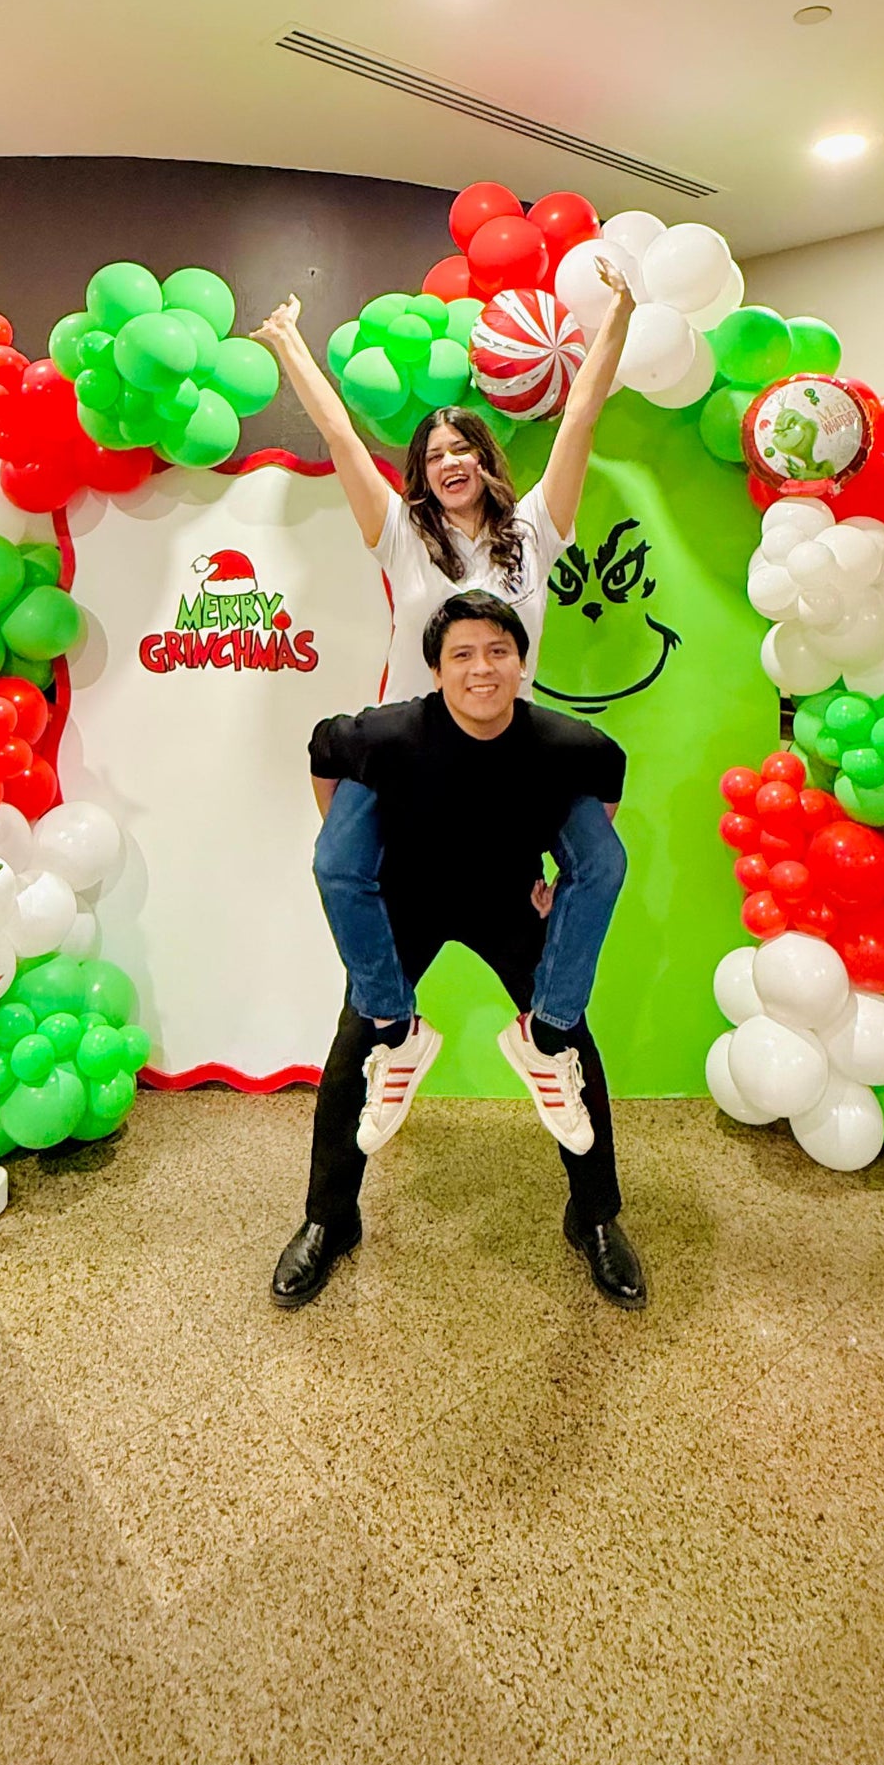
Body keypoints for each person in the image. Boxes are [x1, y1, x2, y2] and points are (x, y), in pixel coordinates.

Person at [253, 259, 635, 1128]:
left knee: (601, 864)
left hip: (515, 759)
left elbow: (581, 411)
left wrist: (621, 311)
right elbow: (344, 438)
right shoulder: (399, 534)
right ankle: (397, 1028)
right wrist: (289, 347)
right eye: (433, 454)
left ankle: (547, 1036)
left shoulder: (537, 529)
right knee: (336, 865)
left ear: (486, 459)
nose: (450, 460)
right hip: (407, 756)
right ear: (420, 476)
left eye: (463, 447)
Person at [270, 592, 647, 1312]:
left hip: (506, 898)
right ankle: (330, 1217)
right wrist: (365, 862)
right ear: (437, 670)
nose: (483, 668)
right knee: (361, 1041)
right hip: (409, 897)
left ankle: (594, 1216)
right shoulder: (390, 735)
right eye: (463, 654)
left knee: (564, 1037)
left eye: (498, 651)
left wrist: (561, 887)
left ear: (521, 662)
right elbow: (324, 751)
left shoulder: (565, 744)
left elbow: (604, 796)